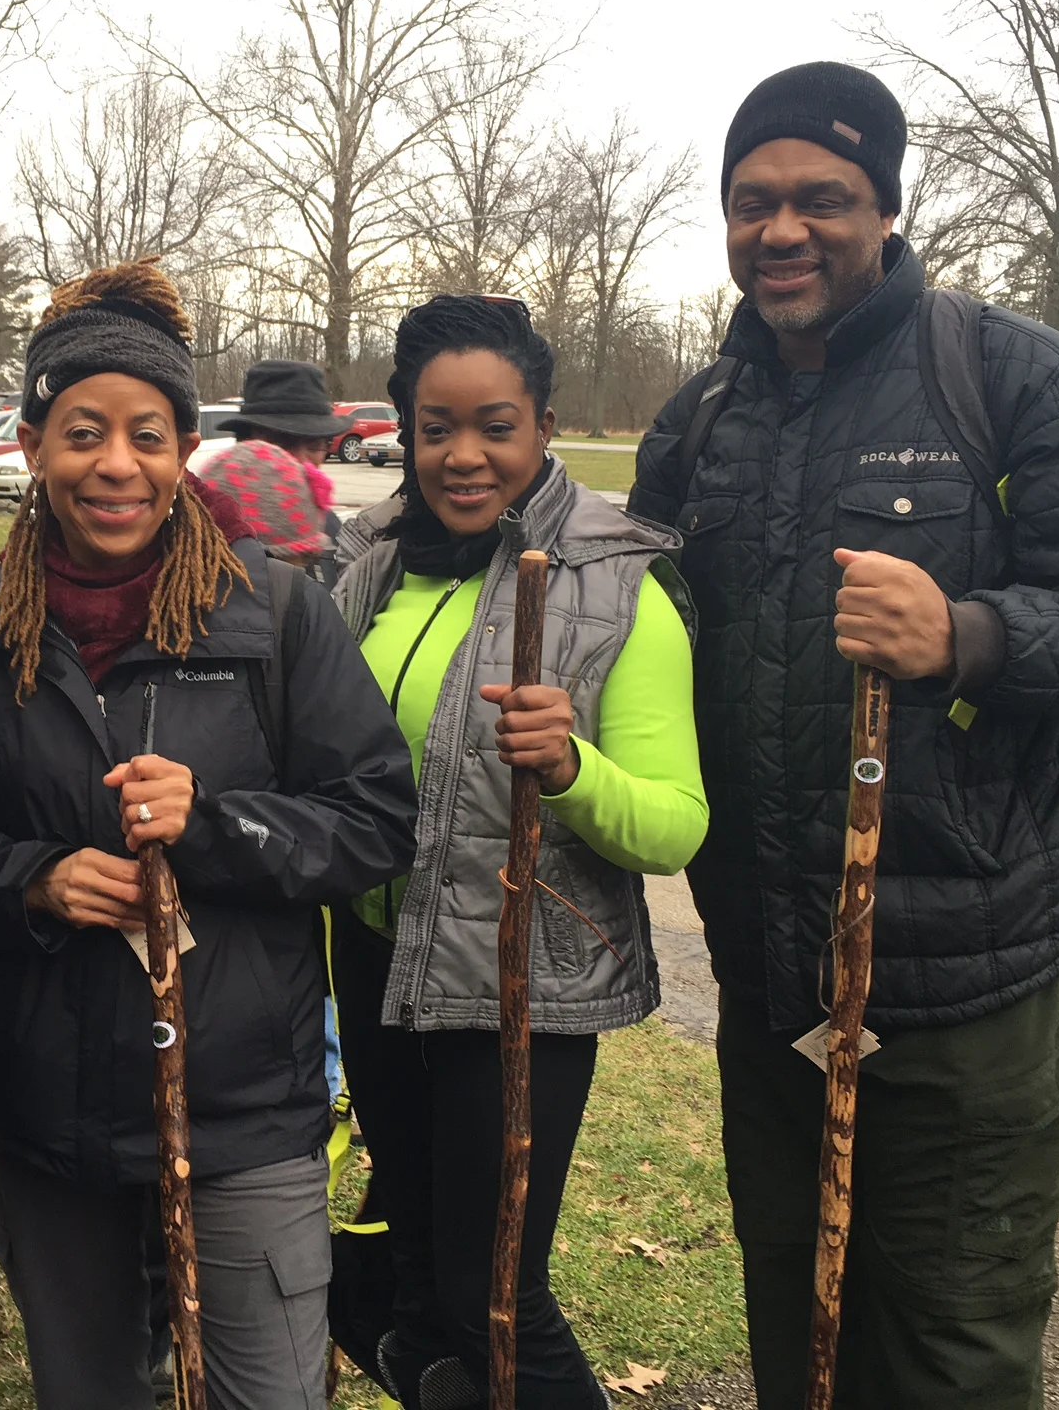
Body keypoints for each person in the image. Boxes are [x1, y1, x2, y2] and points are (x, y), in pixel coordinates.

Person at [627, 63, 1059, 1410]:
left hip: (966, 983)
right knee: (797, 1309)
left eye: (821, 198)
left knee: (951, 1333)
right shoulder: (704, 418)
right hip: (773, 971)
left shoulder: (1010, 375)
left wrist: (970, 634)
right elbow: (632, 618)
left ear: (886, 207)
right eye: (751, 202)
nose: (782, 231)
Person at [0, 259, 418, 1410]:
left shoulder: (276, 610)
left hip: (244, 1106)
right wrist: (33, 879)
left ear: (181, 449)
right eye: (83, 431)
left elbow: (375, 820)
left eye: (148, 435)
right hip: (44, 1109)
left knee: (267, 1396)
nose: (116, 464)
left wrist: (215, 825)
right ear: (34, 444)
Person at [332, 294, 709, 1410]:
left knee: (491, 1288)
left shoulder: (613, 587)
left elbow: (677, 823)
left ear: (542, 423)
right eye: (434, 426)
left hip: (518, 986)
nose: (462, 455)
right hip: (379, 961)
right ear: (403, 427)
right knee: (406, 1269)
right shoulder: (373, 565)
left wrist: (572, 767)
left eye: (495, 425)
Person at [216, 359, 345, 582]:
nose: (299, 460)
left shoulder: (331, 528)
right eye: (282, 444)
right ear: (246, 444)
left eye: (314, 445)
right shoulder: (206, 530)